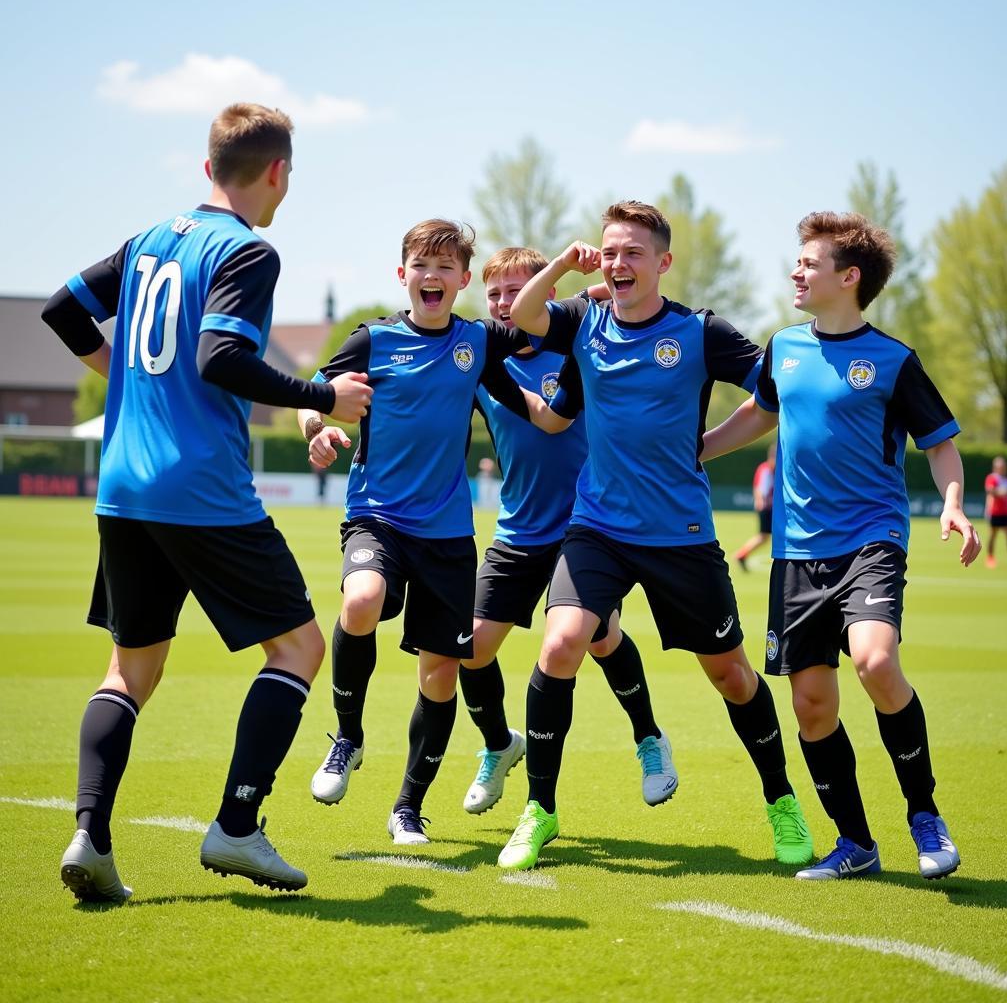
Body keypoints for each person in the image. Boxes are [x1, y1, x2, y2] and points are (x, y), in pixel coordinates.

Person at [41, 103, 373, 902]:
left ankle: (89, 834)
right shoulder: (248, 251)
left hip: (122, 488)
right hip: (201, 489)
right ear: (278, 173)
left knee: (130, 670)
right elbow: (222, 358)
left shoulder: (153, 237)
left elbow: (60, 307)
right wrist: (323, 394)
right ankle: (236, 826)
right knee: (297, 650)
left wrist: (120, 371)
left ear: (206, 169)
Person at [500, 201, 813, 871]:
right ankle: (540, 809)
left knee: (730, 675)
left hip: (681, 535)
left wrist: (710, 446)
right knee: (561, 643)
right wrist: (561, 263)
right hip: (598, 528)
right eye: (610, 252)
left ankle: (782, 800)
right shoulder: (583, 323)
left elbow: (776, 396)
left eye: (633, 253)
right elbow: (523, 315)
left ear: (663, 263)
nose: (618, 264)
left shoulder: (701, 333)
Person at [702, 210, 981, 881]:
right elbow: (760, 412)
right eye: (797, 260)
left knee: (876, 661)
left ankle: (924, 815)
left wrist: (951, 504)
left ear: (848, 277)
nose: (796, 269)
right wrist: (699, 452)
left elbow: (940, 442)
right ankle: (855, 843)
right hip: (798, 552)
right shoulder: (784, 348)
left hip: (870, 539)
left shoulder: (892, 360)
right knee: (811, 706)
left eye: (809, 261)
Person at [300, 219, 534, 846]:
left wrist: (591, 292)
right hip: (376, 515)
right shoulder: (372, 340)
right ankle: (346, 737)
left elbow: (542, 322)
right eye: (420, 265)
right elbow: (312, 394)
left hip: (449, 535)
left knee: (440, 674)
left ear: (462, 279)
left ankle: (407, 807)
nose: (432, 277)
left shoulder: (477, 344)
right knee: (361, 600)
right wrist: (316, 428)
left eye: (445, 267)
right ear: (402, 274)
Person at [459, 247, 677, 817]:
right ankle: (498, 746)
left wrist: (600, 292)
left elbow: (615, 304)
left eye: (517, 290)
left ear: (544, 295)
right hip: (517, 531)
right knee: (470, 650)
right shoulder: (482, 359)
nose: (506, 303)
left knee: (599, 639)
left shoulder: (581, 342)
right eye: (496, 293)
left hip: (586, 531)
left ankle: (650, 739)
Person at [734, 443, 775, 571]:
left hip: (767, 507)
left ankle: (741, 554)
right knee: (763, 536)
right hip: (767, 508)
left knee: (764, 537)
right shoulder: (767, 469)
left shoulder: (767, 469)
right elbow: (761, 489)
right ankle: (740, 555)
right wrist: (761, 501)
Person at [984, 456, 1007, 568]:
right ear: (995, 467)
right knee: (993, 535)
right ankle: (990, 558)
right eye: (1000, 466)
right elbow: (991, 491)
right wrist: (1001, 492)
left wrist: (1003, 492)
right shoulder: (992, 478)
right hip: (995, 512)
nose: (1003, 468)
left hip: (1005, 512)